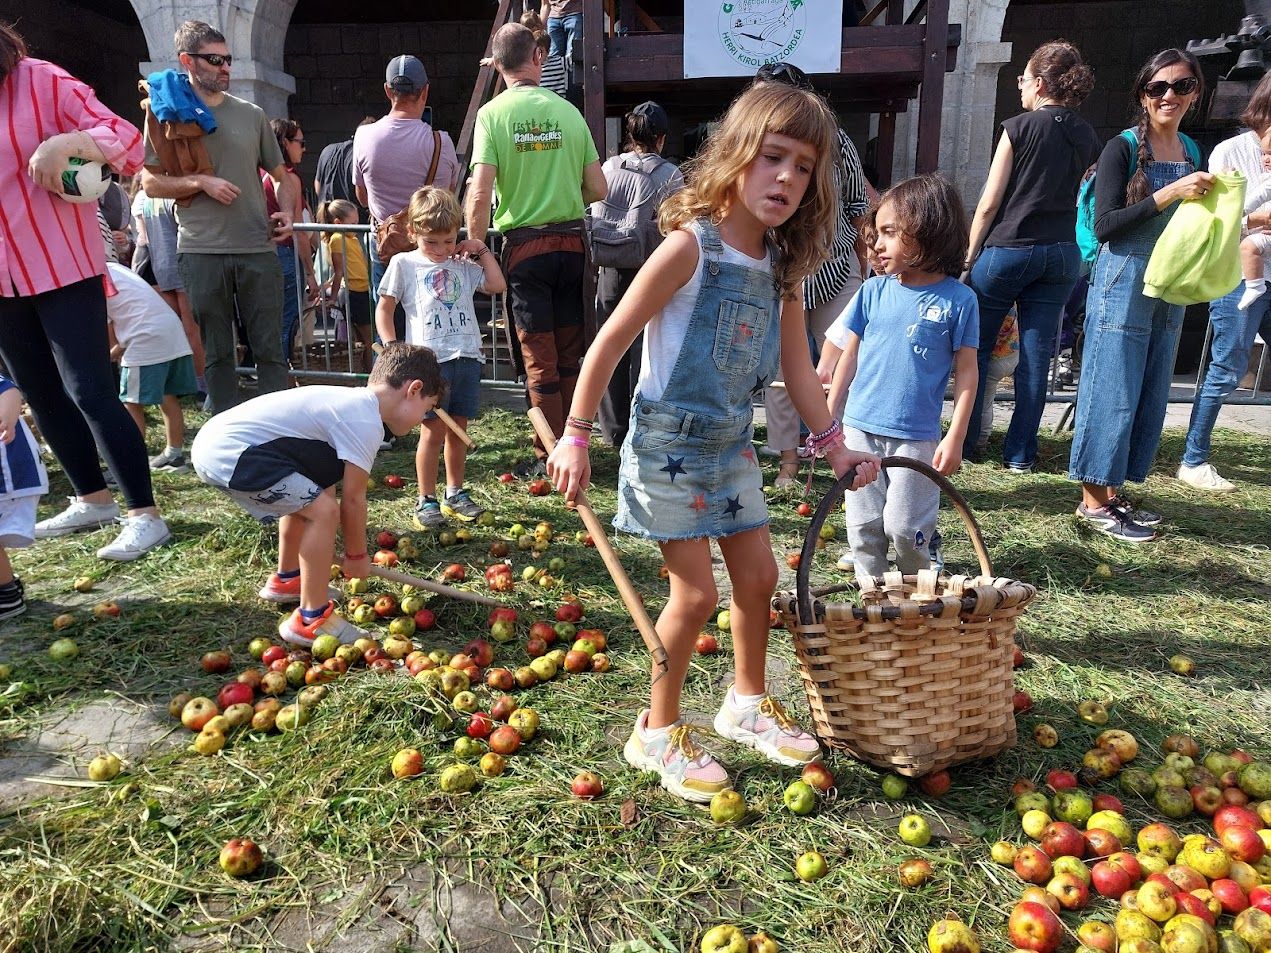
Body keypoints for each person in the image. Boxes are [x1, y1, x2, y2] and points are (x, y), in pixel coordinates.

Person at [546, 83, 881, 802]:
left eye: (803, 168)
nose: (786, 178)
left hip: (731, 443)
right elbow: (610, 341)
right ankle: (656, 729)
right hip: (667, 443)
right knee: (696, 595)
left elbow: (798, 366)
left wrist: (833, 445)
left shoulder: (782, 266)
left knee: (758, 579)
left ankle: (745, 703)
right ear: (735, 156)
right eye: (773, 157)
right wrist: (575, 435)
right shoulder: (687, 248)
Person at [0, 22, 172, 562]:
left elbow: (127, 142)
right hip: (2, 279)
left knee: (90, 390)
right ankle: (91, 499)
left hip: (63, 266)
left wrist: (69, 142)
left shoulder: (40, 80)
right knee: (41, 393)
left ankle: (145, 514)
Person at [191, 343, 443, 646]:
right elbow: (353, 500)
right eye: (427, 409)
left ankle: (288, 579)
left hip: (216, 443)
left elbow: (318, 483)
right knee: (323, 511)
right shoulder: (365, 421)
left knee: (313, 494)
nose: (422, 419)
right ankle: (311, 619)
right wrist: (356, 557)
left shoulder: (348, 404)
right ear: (414, 389)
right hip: (231, 453)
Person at [1068, 49, 1214, 542]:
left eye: (1182, 86)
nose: (1170, 95)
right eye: (1159, 87)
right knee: (1112, 387)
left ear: (1196, 93)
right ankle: (1093, 502)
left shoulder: (1191, 150)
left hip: (1169, 283)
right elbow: (1106, 225)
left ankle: (1112, 493)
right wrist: (1170, 193)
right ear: (1144, 94)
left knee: (1148, 388)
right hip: (1123, 280)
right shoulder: (1122, 147)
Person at [466, 23, 607, 472]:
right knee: (569, 352)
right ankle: (574, 448)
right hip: (572, 246)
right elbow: (598, 187)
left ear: (497, 64)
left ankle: (548, 453)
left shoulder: (492, 115)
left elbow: (480, 191)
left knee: (538, 356)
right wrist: (561, 193)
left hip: (525, 249)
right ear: (538, 57)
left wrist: (474, 243)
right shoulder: (568, 112)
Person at [824, 175, 979, 580]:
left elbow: (967, 372)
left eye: (890, 233)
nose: (877, 244)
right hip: (859, 429)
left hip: (916, 437)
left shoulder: (960, 300)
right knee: (862, 529)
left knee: (906, 529)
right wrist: (830, 418)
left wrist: (956, 436)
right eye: (877, 233)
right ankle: (872, 599)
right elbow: (849, 355)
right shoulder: (872, 291)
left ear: (929, 231)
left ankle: (915, 591)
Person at [139, 20, 297, 414]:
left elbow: (282, 177)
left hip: (257, 248)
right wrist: (201, 182)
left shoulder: (252, 114)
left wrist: (287, 211)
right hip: (200, 250)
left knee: (270, 351)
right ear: (187, 61)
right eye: (215, 60)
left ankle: (279, 429)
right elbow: (150, 183)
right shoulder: (164, 113)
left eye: (228, 59)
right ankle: (225, 431)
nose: (226, 67)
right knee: (218, 354)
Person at [962, 40, 1101, 471]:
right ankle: (1021, 453)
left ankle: (967, 443)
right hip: (1061, 252)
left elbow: (989, 202)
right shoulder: (1086, 133)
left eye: (1022, 78)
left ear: (1039, 83)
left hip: (1009, 247)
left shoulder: (1018, 128)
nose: (1019, 85)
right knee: (1037, 358)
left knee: (976, 349)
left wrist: (968, 257)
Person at [752, 62, 871, 488]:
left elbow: (859, 205)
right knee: (781, 369)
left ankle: (845, 453)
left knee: (846, 364)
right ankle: (788, 460)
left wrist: (862, 258)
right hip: (781, 273)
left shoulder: (838, 143)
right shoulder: (753, 145)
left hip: (834, 270)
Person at [375, 187, 506, 529]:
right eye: (431, 241)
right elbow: (384, 309)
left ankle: (456, 492)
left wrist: (480, 249)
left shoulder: (461, 264)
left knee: (458, 430)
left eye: (449, 241)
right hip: (431, 364)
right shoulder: (404, 264)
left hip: (467, 357)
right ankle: (426, 498)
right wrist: (392, 347)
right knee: (432, 431)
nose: (441, 249)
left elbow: (496, 285)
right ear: (413, 233)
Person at [1179, 72, 1271, 493]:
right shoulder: (1230, 152)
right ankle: (1193, 460)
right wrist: (1260, 207)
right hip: (1238, 274)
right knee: (1228, 368)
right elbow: (1218, 221)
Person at [591, 101, 683, 447]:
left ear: (629, 135)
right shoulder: (670, 174)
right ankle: (639, 423)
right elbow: (678, 223)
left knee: (609, 342)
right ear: (661, 138)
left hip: (610, 265)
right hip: (651, 269)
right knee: (646, 349)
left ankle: (611, 430)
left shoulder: (610, 167)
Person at [354, 55, 460, 344]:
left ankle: (390, 368)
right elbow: (448, 195)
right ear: (425, 91)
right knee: (430, 329)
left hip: (385, 245)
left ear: (388, 91)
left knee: (388, 325)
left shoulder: (364, 136)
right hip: (430, 248)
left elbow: (362, 197)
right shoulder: (441, 142)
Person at [104, 262, 197, 471]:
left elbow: (107, 328)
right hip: (170, 331)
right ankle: (174, 455)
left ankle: (131, 465)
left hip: (145, 337)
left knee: (131, 403)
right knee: (166, 395)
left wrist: (112, 353)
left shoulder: (92, 278)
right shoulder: (114, 268)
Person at [131, 189, 207, 396]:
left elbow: (143, 238)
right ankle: (200, 385)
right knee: (192, 329)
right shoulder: (175, 194)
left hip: (161, 265)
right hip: (182, 263)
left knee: (177, 328)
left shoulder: (146, 197)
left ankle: (182, 383)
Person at [266, 118, 318, 362]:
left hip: (264, 254)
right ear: (285, 143)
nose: (304, 149)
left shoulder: (259, 173)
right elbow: (298, 230)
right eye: (301, 142)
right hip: (285, 254)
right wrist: (310, 273)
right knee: (287, 322)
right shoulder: (288, 178)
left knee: (271, 322)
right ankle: (283, 375)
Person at [0, 375, 49, 621]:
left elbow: (9, 391)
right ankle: (7, 583)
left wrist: (7, 419)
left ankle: (6, 594)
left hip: (8, 472)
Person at [317, 199, 374, 374]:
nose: (357, 227)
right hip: (353, 292)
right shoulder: (337, 239)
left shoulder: (351, 238)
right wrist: (333, 297)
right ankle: (369, 373)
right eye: (353, 224)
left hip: (362, 290)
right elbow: (339, 271)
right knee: (367, 338)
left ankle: (366, 371)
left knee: (364, 338)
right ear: (338, 223)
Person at [973, 307, 1020, 460]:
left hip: (993, 357)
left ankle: (979, 440)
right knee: (987, 399)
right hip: (1011, 352)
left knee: (982, 400)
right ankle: (983, 439)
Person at [314, 116, 374, 220]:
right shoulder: (362, 156)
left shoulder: (327, 150)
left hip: (326, 220)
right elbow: (364, 200)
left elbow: (318, 187)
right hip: (354, 223)